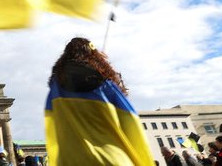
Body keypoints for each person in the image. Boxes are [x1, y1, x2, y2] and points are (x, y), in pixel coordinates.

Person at [45, 37, 154, 165]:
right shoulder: (106, 86)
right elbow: (132, 125)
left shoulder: (55, 91)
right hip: (112, 159)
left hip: (73, 160)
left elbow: (53, 131)